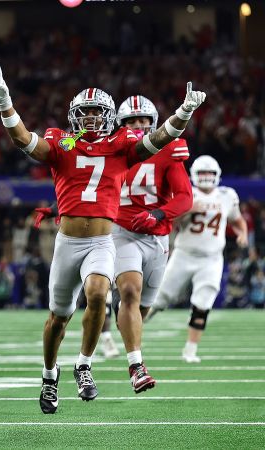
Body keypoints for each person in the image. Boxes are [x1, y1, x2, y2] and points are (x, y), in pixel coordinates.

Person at [0, 64, 206, 413]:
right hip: (67, 242)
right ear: (74, 116)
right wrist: (5, 104)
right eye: (84, 112)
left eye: (95, 112)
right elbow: (24, 141)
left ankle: (84, 365)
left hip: (103, 241)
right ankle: (49, 374)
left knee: (99, 295)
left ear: (107, 117)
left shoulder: (122, 145)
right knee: (58, 317)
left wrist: (183, 113)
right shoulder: (62, 141)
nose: (89, 118)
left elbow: (158, 139)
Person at [107, 95, 193, 392]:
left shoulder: (168, 149)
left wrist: (158, 213)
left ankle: (121, 316)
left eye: (144, 121)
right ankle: (136, 367)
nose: (139, 126)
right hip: (121, 231)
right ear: (121, 125)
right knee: (130, 291)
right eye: (132, 121)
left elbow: (184, 197)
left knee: (138, 309)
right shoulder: (113, 149)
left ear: (154, 124)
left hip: (157, 236)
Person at [147, 155, 248, 363]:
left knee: (203, 303)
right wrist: (187, 209)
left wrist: (242, 233)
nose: (206, 177)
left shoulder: (227, 195)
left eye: (209, 173)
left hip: (211, 258)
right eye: (202, 173)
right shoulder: (186, 194)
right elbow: (170, 225)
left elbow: (238, 220)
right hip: (184, 254)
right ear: (194, 175)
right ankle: (132, 327)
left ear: (217, 175)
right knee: (159, 299)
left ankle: (190, 350)